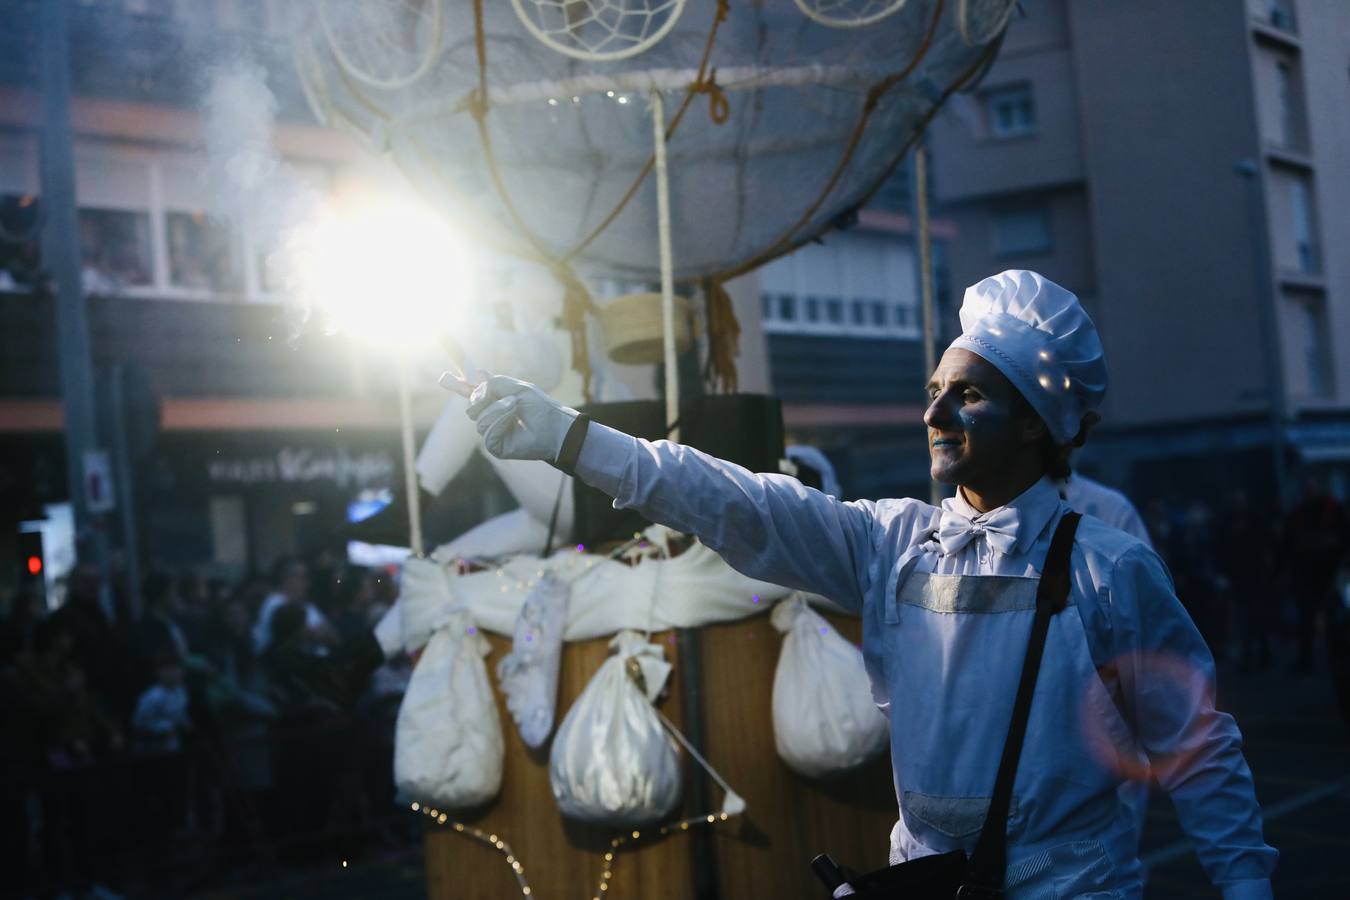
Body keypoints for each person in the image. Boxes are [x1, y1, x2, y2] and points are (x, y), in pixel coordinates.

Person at [456, 270, 1276, 898]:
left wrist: (1246, 885)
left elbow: (1197, 745)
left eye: (969, 394)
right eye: (933, 393)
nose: (936, 415)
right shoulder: (890, 544)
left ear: (1035, 421)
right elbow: (735, 499)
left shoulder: (1109, 567)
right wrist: (571, 438)